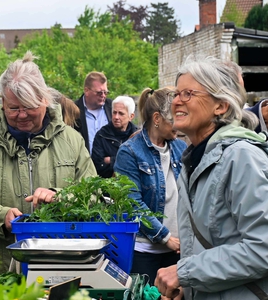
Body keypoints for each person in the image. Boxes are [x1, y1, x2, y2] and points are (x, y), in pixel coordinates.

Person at [0, 51, 96, 273]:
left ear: (44, 99)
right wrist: (0, 217)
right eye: (13, 108)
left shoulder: (72, 141)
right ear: (3, 102)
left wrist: (61, 197)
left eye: (29, 107)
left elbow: (95, 195)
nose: (21, 115)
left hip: (59, 268)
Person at [155, 56, 268, 300]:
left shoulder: (242, 158)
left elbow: (263, 249)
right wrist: (190, 287)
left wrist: (185, 272)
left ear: (221, 106)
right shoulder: (193, 159)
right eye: (176, 94)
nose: (176, 101)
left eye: (188, 94)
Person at [114, 88, 186, 286]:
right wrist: (165, 237)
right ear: (157, 118)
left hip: (179, 250)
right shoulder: (130, 152)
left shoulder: (181, 147)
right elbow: (132, 203)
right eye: (174, 119)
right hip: (145, 251)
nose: (178, 125)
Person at [91, 96, 138, 178]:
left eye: (121, 113)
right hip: (108, 187)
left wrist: (111, 160)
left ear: (131, 116)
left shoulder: (138, 136)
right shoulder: (102, 135)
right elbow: (97, 167)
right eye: (114, 112)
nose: (116, 117)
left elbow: (141, 165)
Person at [74, 71, 113, 154]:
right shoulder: (74, 110)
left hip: (109, 164)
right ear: (86, 90)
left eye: (105, 92)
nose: (103, 95)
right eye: (99, 93)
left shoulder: (112, 108)